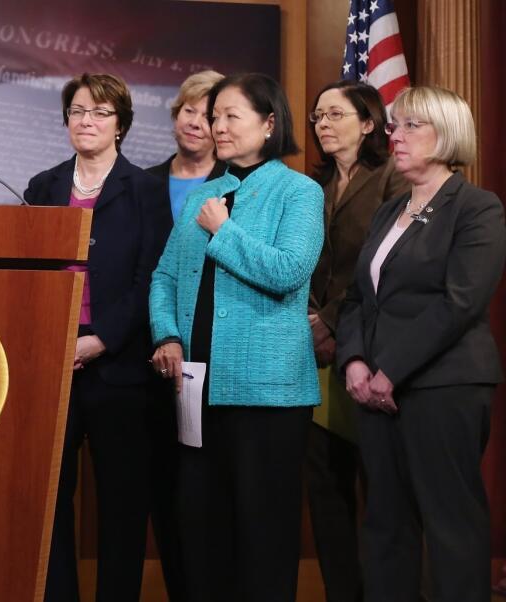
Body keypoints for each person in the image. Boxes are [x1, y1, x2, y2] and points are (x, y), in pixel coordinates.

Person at [148, 73, 324, 602]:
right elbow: (164, 277)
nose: (216, 126)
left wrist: (224, 231)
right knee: (202, 529)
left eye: (231, 116)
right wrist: (168, 336)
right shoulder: (206, 192)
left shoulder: (299, 191)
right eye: (213, 115)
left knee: (262, 535)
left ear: (269, 124)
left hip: (267, 394)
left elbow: (289, 271)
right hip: (197, 389)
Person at [336, 85, 505, 602]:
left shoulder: (476, 207)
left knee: (450, 523)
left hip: (444, 384)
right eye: (394, 126)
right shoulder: (389, 211)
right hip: (374, 391)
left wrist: (391, 369)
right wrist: (356, 362)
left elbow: (460, 302)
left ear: (447, 133)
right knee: (386, 522)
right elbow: (358, 300)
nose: (396, 136)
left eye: (411, 125)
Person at [25, 73, 175, 602]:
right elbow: (28, 277)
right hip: (53, 364)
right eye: (77, 111)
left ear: (122, 126)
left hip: (121, 369)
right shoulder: (42, 187)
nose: (86, 121)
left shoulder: (147, 191)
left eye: (100, 112)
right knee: (48, 503)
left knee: (123, 506)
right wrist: (54, 340)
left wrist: (101, 339)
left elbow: (150, 278)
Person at [303, 80, 407, 602]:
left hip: (374, 350)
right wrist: (310, 317)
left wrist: (334, 323)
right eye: (317, 115)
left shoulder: (393, 178)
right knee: (325, 487)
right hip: (317, 354)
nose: (322, 123)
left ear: (368, 123)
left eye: (335, 114)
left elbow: (385, 267)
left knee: (384, 490)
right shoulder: (312, 188)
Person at [148, 70, 227, 223]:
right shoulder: (145, 181)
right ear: (176, 114)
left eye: (208, 117)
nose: (195, 123)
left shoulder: (233, 183)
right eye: (189, 111)